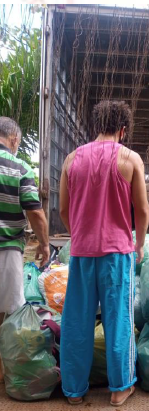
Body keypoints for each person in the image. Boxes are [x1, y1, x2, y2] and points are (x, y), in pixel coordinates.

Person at [58, 101, 149, 406]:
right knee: (118, 320)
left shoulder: (71, 159)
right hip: (117, 255)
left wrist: (79, 235)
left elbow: (63, 209)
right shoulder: (130, 158)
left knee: (77, 321)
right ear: (123, 130)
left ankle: (74, 391)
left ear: (96, 126)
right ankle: (120, 389)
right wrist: (139, 244)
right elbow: (142, 210)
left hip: (82, 253)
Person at [0, 117, 50, 384]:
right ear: (14, 139)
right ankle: (5, 371)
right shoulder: (18, 167)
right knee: (9, 312)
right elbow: (35, 212)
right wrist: (44, 243)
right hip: (6, 247)